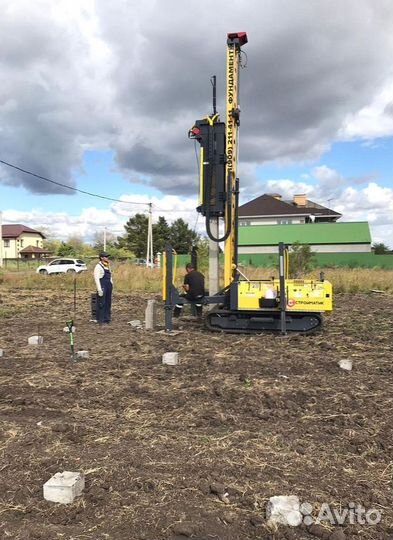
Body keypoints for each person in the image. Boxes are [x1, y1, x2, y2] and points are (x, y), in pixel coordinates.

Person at [93, 251, 113, 324]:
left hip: (108, 285)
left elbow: (110, 275)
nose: (107, 258)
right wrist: (99, 289)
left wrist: (111, 282)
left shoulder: (107, 266)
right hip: (102, 285)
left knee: (108, 302)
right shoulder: (98, 266)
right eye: (105, 257)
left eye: (107, 257)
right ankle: (100, 319)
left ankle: (107, 318)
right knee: (102, 302)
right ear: (101, 258)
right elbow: (96, 278)